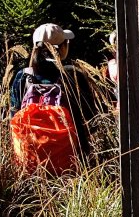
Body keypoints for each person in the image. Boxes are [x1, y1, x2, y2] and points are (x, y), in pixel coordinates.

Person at [9, 22, 95, 158]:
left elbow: (13, 116)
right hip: (71, 156)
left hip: (31, 156)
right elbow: (91, 117)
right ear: (61, 48)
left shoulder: (23, 76)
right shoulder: (72, 75)